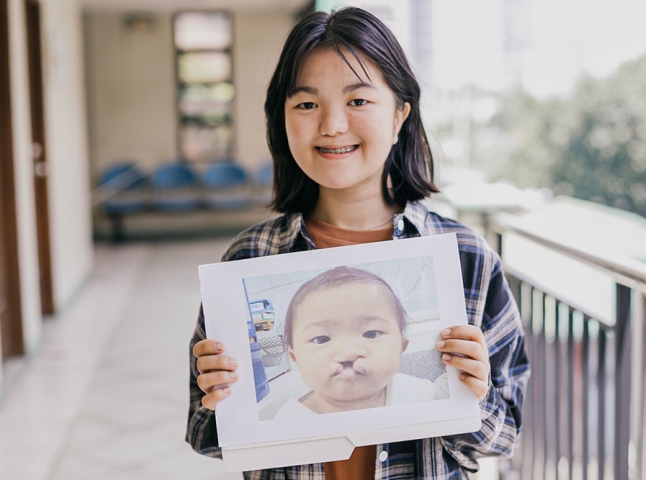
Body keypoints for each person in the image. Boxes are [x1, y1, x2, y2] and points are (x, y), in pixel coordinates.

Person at [187, 7, 529, 479]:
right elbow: (205, 435)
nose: (331, 125)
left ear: (399, 116)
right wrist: (222, 397)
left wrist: (475, 393)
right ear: (282, 122)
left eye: (359, 101)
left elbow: (506, 433)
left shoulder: (466, 259)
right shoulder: (249, 258)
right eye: (306, 104)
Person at [281, 266, 444, 415]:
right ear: (296, 359)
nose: (348, 353)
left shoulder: (421, 395)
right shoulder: (289, 423)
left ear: (401, 348)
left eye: (371, 334)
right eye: (321, 339)